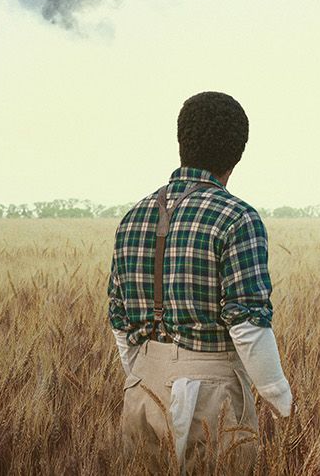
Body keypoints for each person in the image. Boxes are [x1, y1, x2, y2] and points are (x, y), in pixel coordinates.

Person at [108, 91, 292, 470]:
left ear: (182, 142)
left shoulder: (132, 217)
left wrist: (146, 374)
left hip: (142, 390)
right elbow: (247, 324)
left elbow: (119, 322)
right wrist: (279, 397)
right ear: (238, 152)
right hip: (211, 397)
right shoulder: (237, 217)